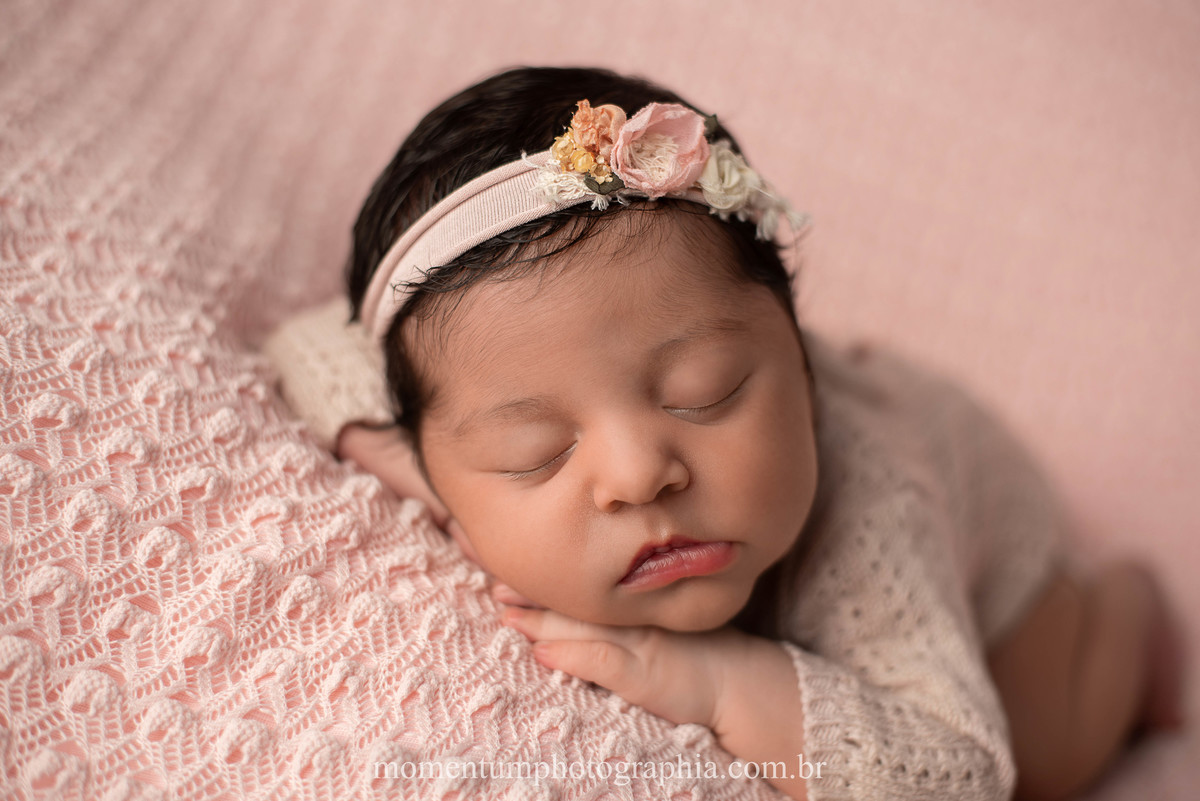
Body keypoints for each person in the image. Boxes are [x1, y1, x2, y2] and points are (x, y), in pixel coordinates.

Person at [264, 66, 1185, 800]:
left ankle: (1125, 616)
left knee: (1052, 756)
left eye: (704, 393)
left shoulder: (874, 515)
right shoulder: (444, 410)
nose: (638, 474)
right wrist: (421, 471)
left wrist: (713, 680)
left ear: (801, 364)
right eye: (534, 452)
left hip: (991, 544)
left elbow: (962, 771)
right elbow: (306, 344)